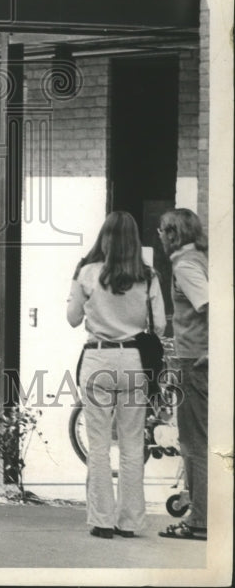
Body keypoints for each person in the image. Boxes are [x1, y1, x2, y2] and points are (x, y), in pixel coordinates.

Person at [66, 210, 166, 539]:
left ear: (104, 237)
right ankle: (130, 521)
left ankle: (102, 520)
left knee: (97, 444)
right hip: (134, 360)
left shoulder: (87, 272)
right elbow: (161, 325)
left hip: (97, 358)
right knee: (132, 444)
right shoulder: (148, 276)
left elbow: (72, 318)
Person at [157, 208, 208, 541]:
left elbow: (212, 305)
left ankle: (199, 521)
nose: (158, 235)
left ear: (173, 234)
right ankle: (199, 504)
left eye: (162, 230)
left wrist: (212, 349)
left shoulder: (186, 266)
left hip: (194, 361)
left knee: (193, 442)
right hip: (195, 358)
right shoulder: (200, 259)